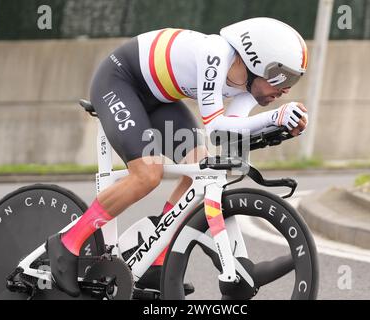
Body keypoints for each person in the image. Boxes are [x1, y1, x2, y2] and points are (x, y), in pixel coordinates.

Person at [46, 17, 309, 297]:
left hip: (159, 100)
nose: (286, 90)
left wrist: (278, 128)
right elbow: (217, 126)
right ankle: (67, 243)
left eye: (294, 80)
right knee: (148, 174)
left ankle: (155, 257)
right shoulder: (216, 55)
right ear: (257, 61)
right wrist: (275, 116)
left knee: (200, 165)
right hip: (120, 81)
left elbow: (229, 134)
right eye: (283, 77)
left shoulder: (249, 88)